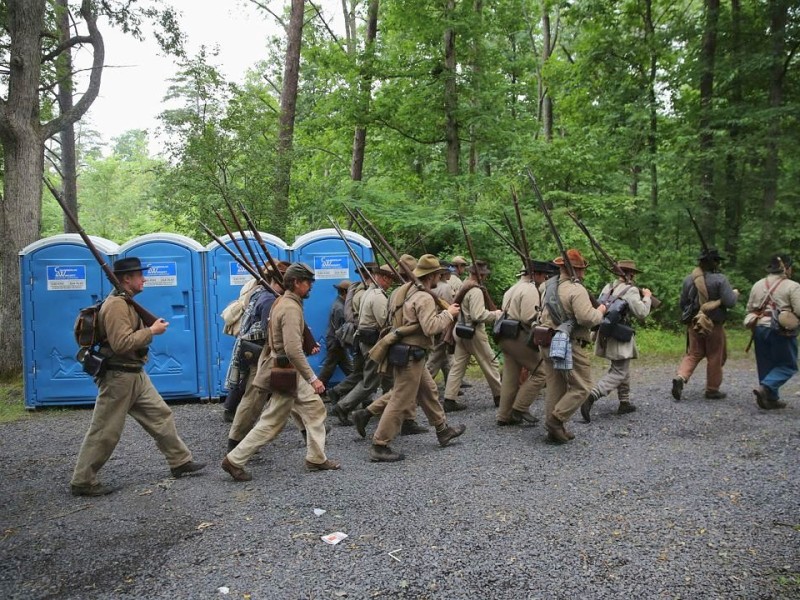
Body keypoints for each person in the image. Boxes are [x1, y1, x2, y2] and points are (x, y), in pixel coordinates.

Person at [70, 257, 205, 496]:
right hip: (118, 375)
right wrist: (151, 331)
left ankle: (180, 461)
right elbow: (122, 344)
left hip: (134, 373)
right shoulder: (116, 306)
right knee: (105, 430)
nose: (144, 279)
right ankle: (83, 480)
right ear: (126, 279)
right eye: (140, 275)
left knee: (160, 415)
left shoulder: (126, 301)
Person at [222, 263, 339, 481]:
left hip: (284, 369)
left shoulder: (282, 302)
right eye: (307, 282)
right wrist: (313, 378)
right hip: (287, 371)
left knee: (315, 410)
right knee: (272, 422)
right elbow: (293, 350)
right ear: (296, 282)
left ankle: (316, 457)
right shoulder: (290, 308)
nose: (310, 286)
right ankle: (235, 459)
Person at [369, 254, 466, 462]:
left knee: (429, 391)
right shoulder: (423, 297)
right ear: (432, 275)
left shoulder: (404, 291)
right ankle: (380, 443)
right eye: (438, 274)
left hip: (409, 352)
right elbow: (430, 327)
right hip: (411, 354)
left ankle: (442, 429)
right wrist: (448, 314)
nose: (440, 277)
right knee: (400, 400)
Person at [538, 249, 607, 444]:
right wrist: (600, 310)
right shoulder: (577, 290)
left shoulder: (546, 286)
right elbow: (588, 319)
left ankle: (555, 429)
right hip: (568, 343)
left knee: (555, 385)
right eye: (582, 268)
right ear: (576, 270)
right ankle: (555, 420)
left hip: (546, 339)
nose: (584, 272)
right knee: (583, 386)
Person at [581, 260, 652, 422]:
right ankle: (593, 395)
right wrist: (647, 298)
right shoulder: (631, 290)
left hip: (607, 332)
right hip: (620, 333)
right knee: (619, 371)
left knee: (622, 366)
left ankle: (624, 402)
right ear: (630, 274)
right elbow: (641, 313)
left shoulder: (608, 288)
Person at [331, 265, 401, 425]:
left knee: (383, 378)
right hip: (373, 344)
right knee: (370, 382)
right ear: (382, 278)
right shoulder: (378, 296)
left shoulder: (369, 292)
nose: (390, 283)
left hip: (365, 341)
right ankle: (343, 406)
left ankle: (388, 407)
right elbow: (384, 322)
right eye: (389, 279)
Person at [671, 249, 739, 401]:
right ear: (713, 262)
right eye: (717, 261)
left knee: (694, 353)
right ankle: (712, 390)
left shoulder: (689, 279)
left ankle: (681, 377)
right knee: (715, 355)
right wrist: (734, 294)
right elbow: (730, 302)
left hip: (694, 323)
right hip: (714, 324)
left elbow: (683, 304)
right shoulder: (720, 279)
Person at [442, 260, 503, 411]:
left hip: (459, 329)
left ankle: (449, 399)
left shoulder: (464, 284)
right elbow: (478, 315)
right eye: (484, 275)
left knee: (458, 366)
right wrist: (495, 314)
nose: (485, 278)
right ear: (480, 275)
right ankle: (500, 397)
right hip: (473, 332)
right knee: (491, 363)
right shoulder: (475, 291)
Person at [495, 260, 550, 426]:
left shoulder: (512, 289)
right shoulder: (530, 289)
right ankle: (519, 407)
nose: (545, 279)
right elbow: (528, 317)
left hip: (505, 335)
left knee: (511, 377)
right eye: (544, 275)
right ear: (537, 274)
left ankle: (504, 415)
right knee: (541, 372)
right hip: (518, 336)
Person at [745, 254, 800, 410]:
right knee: (788, 365)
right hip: (781, 329)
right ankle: (766, 387)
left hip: (759, 328)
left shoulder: (757, 284)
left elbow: (749, 308)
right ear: (786, 268)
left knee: (765, 364)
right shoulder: (792, 286)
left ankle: (771, 399)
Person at [317, 279, 354, 386]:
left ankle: (319, 390)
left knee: (332, 368)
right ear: (344, 292)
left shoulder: (338, 304)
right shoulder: (340, 308)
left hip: (335, 342)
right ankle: (317, 390)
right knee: (331, 369)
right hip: (337, 343)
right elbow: (341, 329)